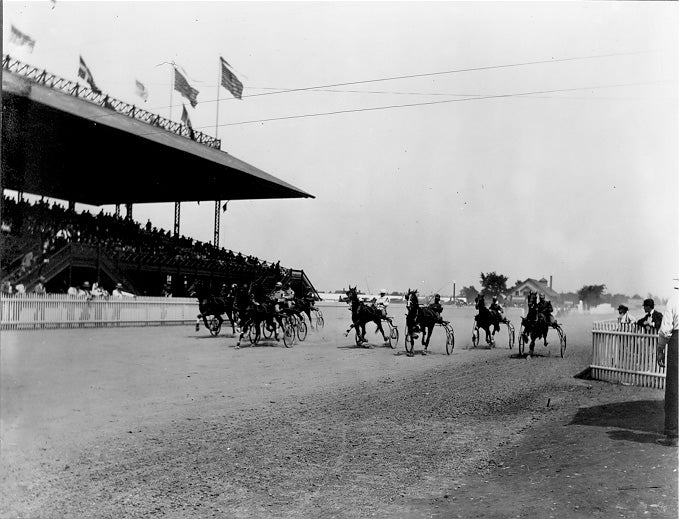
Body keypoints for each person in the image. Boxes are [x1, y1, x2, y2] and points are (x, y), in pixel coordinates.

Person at [655, 287, 678, 447]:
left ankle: (673, 435)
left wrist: (660, 348)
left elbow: (666, 329)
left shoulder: (674, 299)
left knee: (674, 389)